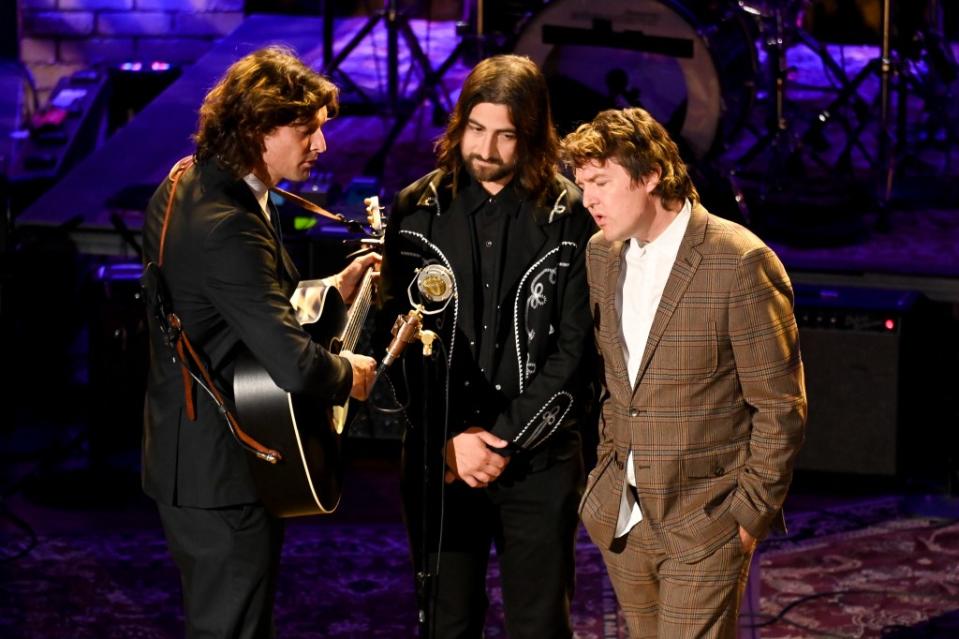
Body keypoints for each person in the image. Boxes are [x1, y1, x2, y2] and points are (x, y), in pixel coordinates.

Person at [140, 46, 377, 638]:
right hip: (222, 470)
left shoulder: (186, 180)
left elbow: (239, 309)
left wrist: (329, 289)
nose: (320, 147)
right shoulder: (229, 224)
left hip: (192, 456)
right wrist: (352, 376)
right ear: (256, 129)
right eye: (306, 131)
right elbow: (294, 367)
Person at [561, 107, 807, 638]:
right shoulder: (601, 255)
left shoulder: (738, 261)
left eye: (601, 182)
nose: (589, 200)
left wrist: (746, 517)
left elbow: (780, 406)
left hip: (707, 520)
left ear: (649, 175)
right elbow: (615, 381)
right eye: (583, 185)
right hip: (623, 518)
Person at [377, 54, 595, 638]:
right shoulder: (415, 209)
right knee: (446, 623)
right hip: (441, 456)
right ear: (458, 124)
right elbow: (392, 343)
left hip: (538, 458)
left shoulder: (570, 217)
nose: (487, 149)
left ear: (532, 134)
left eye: (505, 134)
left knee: (540, 625)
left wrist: (497, 440)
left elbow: (575, 352)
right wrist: (450, 440)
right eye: (475, 129)